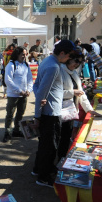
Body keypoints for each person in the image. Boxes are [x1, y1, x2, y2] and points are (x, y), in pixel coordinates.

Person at [31, 39, 75, 187]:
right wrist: (37, 115)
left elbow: (37, 86)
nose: (69, 59)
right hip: (51, 113)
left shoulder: (47, 61)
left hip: (49, 111)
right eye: (68, 55)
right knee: (50, 147)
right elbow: (41, 89)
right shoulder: (53, 66)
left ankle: (38, 170)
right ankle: (44, 177)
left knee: (45, 145)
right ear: (62, 53)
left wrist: (40, 101)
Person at [58, 51, 102, 158]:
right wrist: (72, 92)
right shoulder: (59, 71)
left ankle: (62, 159)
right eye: (76, 61)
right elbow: (54, 92)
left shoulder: (74, 73)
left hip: (71, 111)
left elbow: (82, 95)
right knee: (60, 139)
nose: (77, 64)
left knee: (66, 138)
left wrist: (90, 110)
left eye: (80, 62)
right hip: (60, 110)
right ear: (69, 59)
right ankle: (56, 162)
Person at [4, 47, 33, 142]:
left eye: (25, 54)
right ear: (17, 54)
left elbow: (29, 79)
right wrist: (19, 91)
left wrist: (28, 90)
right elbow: (8, 80)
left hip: (24, 95)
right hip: (13, 95)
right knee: (10, 114)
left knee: (20, 114)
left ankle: (16, 130)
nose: (24, 56)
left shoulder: (26, 65)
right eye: (22, 54)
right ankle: (7, 133)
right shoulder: (11, 65)